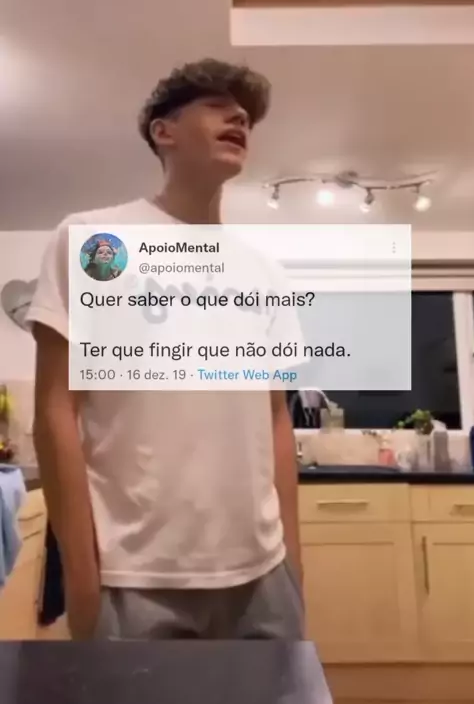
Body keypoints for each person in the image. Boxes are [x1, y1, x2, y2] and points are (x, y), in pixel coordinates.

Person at [27, 58, 304, 641]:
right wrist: (81, 576)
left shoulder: (265, 272)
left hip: (264, 579)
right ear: (164, 131)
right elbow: (55, 411)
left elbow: (275, 416)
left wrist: (294, 568)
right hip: (133, 580)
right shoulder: (94, 240)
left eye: (246, 115)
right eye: (217, 106)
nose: (239, 118)